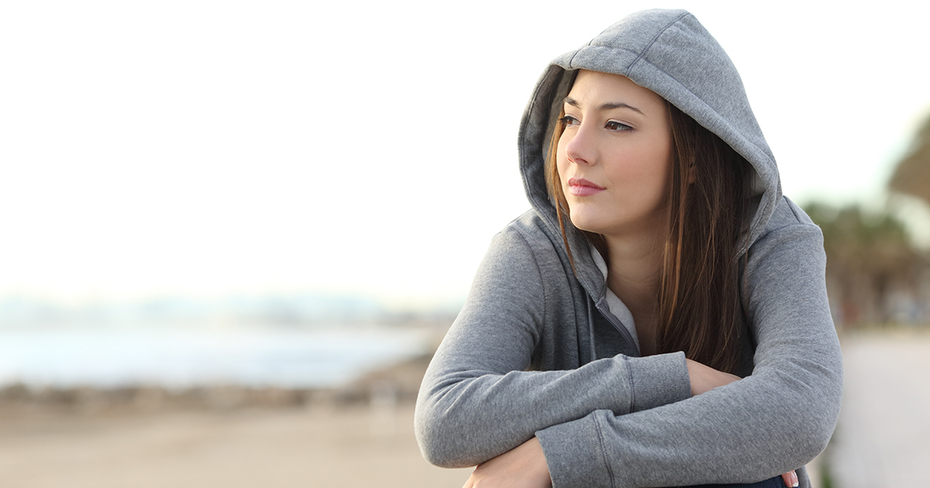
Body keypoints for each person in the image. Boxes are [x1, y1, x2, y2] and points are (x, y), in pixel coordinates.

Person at [414, 9, 843, 488]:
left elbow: (800, 408)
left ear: (695, 156)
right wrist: (673, 377)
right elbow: (445, 418)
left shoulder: (770, 239)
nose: (575, 147)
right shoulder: (532, 250)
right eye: (570, 117)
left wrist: (556, 455)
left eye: (617, 125)